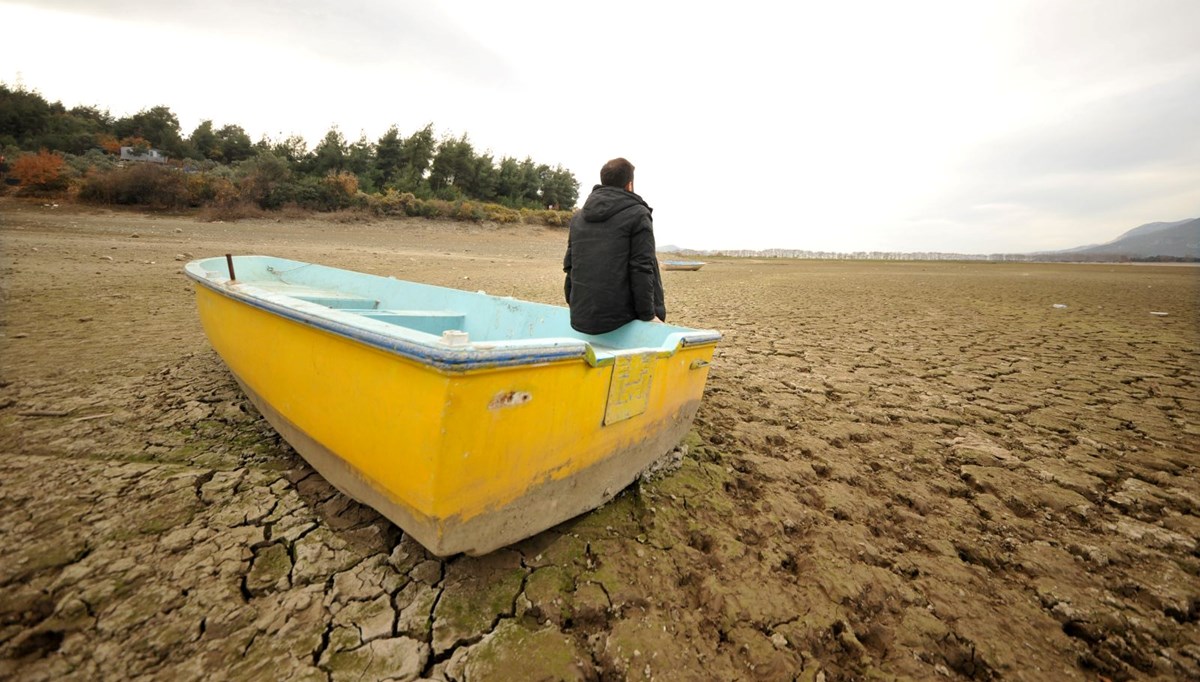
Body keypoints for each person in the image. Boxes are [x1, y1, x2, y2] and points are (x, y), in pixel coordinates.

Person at [562, 158, 666, 334]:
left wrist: (574, 306)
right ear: (629, 185)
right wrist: (648, 315)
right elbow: (641, 267)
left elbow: (570, 265)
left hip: (581, 317)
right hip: (619, 318)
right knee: (648, 262)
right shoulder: (638, 214)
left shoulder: (578, 217)